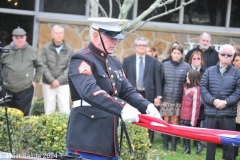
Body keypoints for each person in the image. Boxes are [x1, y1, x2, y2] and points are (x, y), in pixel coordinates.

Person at [66, 17, 161, 160]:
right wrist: (122, 107)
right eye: (111, 37)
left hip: (108, 139)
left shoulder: (114, 61)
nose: (115, 41)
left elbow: (126, 91)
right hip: (87, 137)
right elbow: (89, 91)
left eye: (117, 38)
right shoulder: (82, 59)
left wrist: (146, 105)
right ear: (96, 35)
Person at [200, 44, 240, 160]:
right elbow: (203, 88)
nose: (226, 57)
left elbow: (238, 93)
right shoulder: (209, 71)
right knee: (210, 146)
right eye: (223, 54)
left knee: (229, 148)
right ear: (219, 55)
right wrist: (213, 101)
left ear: (232, 57)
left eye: (229, 55)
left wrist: (225, 102)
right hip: (211, 114)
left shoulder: (238, 73)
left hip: (228, 115)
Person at [122, 37, 162, 145]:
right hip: (132, 93)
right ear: (135, 47)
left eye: (144, 45)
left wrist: (158, 96)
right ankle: (131, 140)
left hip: (148, 93)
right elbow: (123, 78)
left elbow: (157, 79)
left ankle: (149, 142)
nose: (142, 47)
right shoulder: (128, 60)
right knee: (133, 116)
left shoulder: (153, 61)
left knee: (149, 116)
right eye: (140, 45)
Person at [1, 27, 43, 116]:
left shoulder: (32, 51)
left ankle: (22, 130)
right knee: (5, 115)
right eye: (17, 37)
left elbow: (40, 66)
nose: (19, 40)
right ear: (13, 38)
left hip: (25, 89)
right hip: (7, 88)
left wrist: (35, 81)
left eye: (22, 37)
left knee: (23, 115)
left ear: (25, 38)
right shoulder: (5, 50)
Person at [160, 44, 191, 152]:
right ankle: (165, 145)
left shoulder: (186, 66)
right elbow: (161, 81)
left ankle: (173, 146)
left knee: (175, 121)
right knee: (166, 120)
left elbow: (187, 83)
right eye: (174, 53)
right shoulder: (165, 65)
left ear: (182, 55)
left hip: (179, 99)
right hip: (167, 98)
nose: (176, 55)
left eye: (179, 53)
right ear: (171, 53)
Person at [41, 25, 73, 115]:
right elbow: (43, 65)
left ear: (63, 35)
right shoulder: (45, 48)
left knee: (65, 110)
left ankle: (65, 129)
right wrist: (52, 81)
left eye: (60, 33)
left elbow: (70, 67)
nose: (58, 35)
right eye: (56, 33)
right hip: (48, 84)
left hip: (63, 84)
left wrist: (58, 81)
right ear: (52, 35)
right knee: (49, 110)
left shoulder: (69, 49)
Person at [188, 50, 207, 151]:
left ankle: (198, 142)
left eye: (198, 58)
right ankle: (194, 142)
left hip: (201, 102)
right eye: (194, 58)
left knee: (198, 122)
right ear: (191, 60)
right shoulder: (187, 70)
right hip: (189, 102)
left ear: (201, 60)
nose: (196, 60)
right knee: (191, 123)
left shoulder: (206, 71)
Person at [180, 69, 201, 154]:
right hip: (184, 115)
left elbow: (196, 106)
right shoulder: (185, 87)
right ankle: (187, 149)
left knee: (192, 132)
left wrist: (193, 120)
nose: (186, 78)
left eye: (188, 76)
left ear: (192, 77)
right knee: (185, 133)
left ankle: (200, 143)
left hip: (190, 116)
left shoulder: (196, 89)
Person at [232, 52, 240, 160]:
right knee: (234, 132)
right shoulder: (231, 74)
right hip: (233, 107)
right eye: (237, 60)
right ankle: (232, 155)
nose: (239, 63)